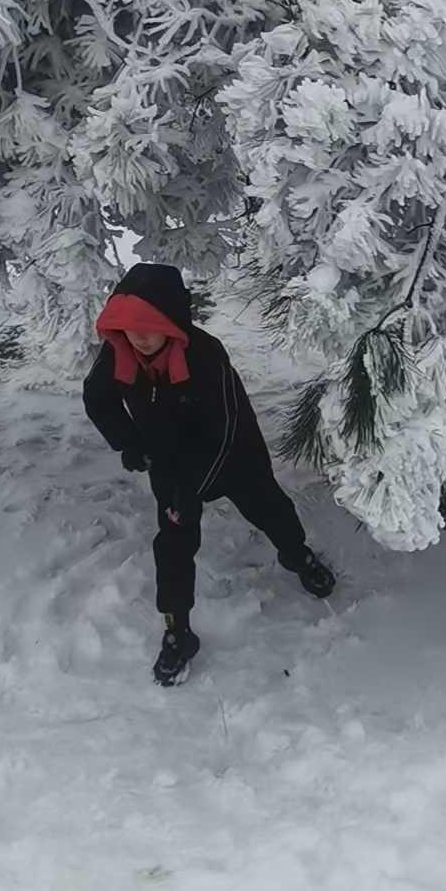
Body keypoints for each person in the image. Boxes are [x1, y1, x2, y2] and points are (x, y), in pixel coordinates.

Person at [82, 262, 336, 686]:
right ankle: (177, 630)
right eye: (129, 328)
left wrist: (192, 488)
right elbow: (97, 399)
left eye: (149, 326)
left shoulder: (204, 355)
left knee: (268, 507)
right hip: (167, 458)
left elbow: (224, 428)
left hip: (232, 452)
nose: (139, 337)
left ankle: (297, 555)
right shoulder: (119, 352)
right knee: (174, 543)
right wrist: (129, 442)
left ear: (172, 323)